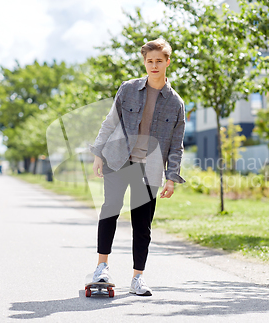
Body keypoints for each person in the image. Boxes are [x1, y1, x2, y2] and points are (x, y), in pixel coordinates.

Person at [89, 38, 186, 296]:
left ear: (167, 61)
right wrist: (98, 152)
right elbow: (110, 123)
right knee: (110, 209)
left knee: (142, 224)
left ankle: (137, 278)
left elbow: (176, 145)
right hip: (118, 159)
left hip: (150, 169)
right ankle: (102, 267)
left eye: (158, 61)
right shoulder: (128, 89)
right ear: (144, 62)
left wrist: (172, 177)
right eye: (149, 61)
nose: (153, 66)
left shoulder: (176, 103)